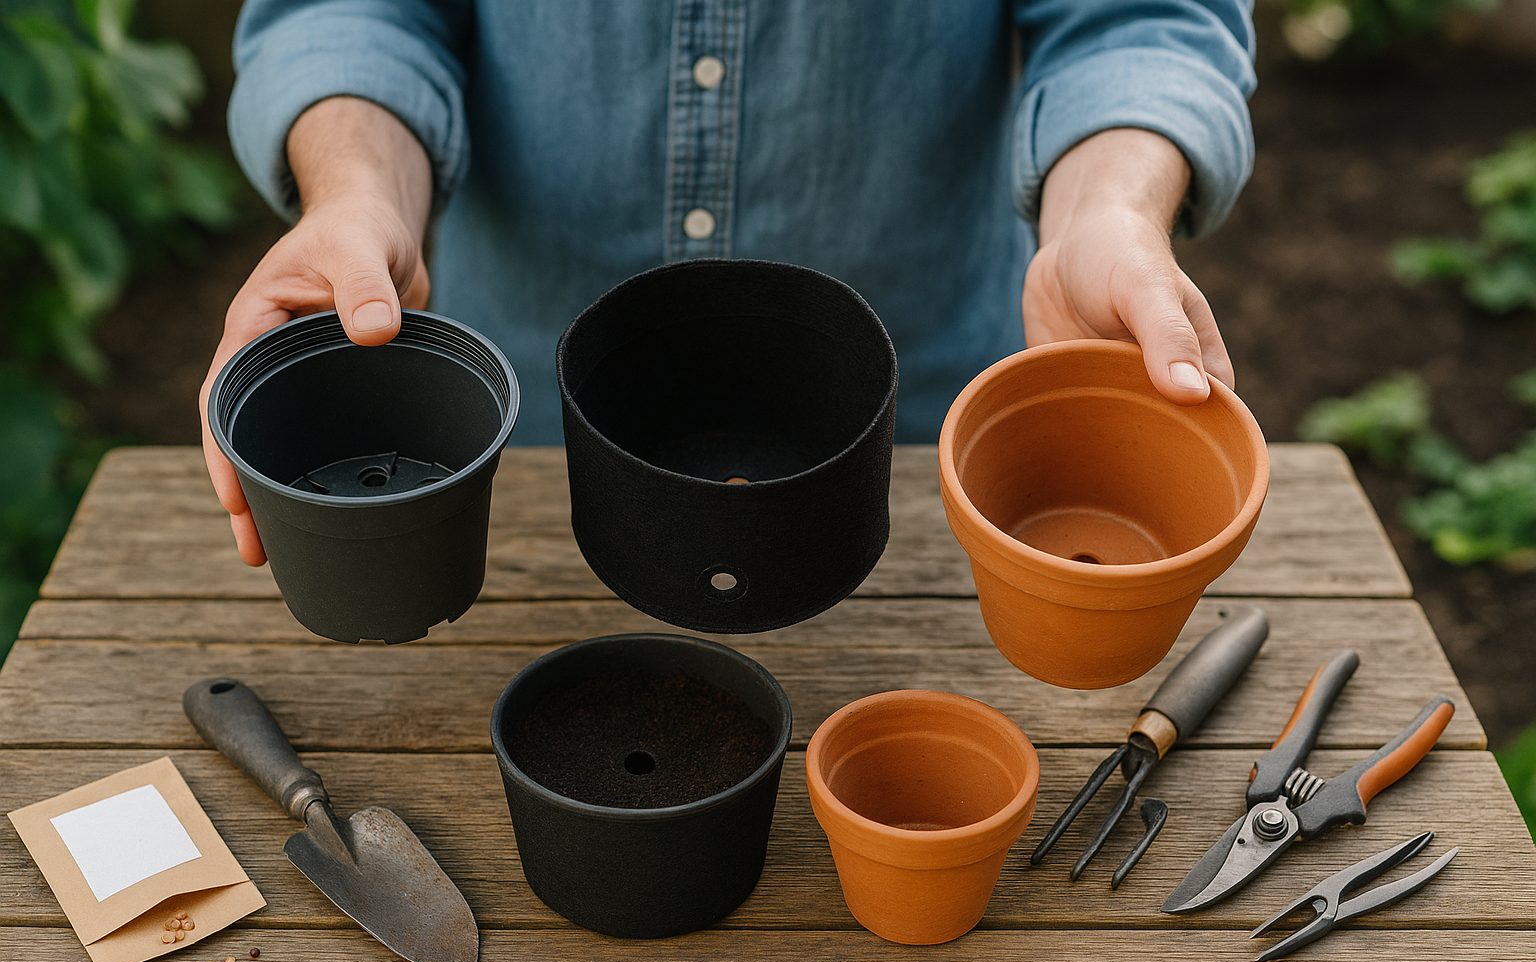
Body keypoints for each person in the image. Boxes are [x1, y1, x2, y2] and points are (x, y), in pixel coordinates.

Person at [204, 1, 1256, 566]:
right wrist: (355, 196)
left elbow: (1139, 19)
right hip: (507, 478)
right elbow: (352, 10)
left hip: (927, 486)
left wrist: (1106, 213)